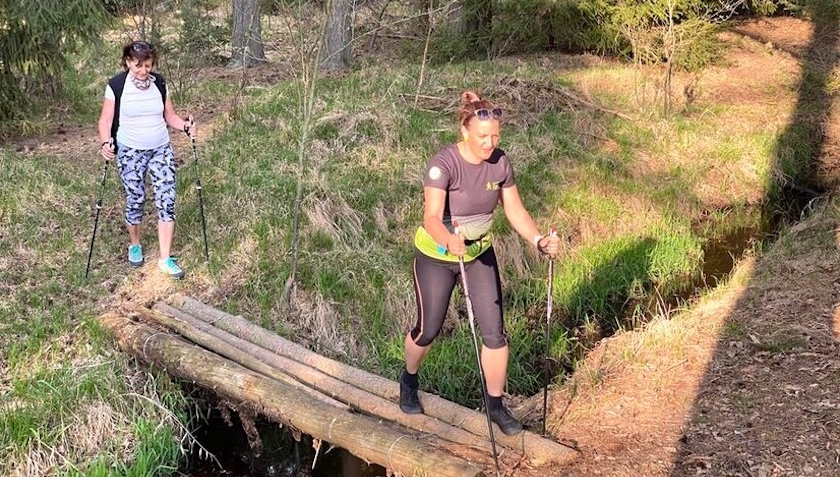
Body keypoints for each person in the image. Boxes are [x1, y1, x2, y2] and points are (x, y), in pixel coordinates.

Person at [399, 90, 561, 436]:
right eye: (483, 137)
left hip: (477, 256)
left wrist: (537, 241)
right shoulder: (443, 164)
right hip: (437, 256)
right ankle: (409, 379)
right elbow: (430, 217)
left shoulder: (500, 163)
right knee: (428, 329)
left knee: (495, 334)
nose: (490, 143)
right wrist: (448, 240)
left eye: (496, 136)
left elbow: (514, 209)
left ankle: (496, 405)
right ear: (465, 131)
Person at [97, 40, 197, 279]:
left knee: (167, 198)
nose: (143, 71)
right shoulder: (116, 85)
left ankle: (165, 257)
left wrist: (185, 126)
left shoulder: (159, 83)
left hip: (160, 148)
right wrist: (105, 142)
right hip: (130, 150)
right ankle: (135, 244)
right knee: (135, 198)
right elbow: (104, 121)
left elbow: (169, 115)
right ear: (128, 62)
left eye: (148, 65)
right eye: (138, 65)